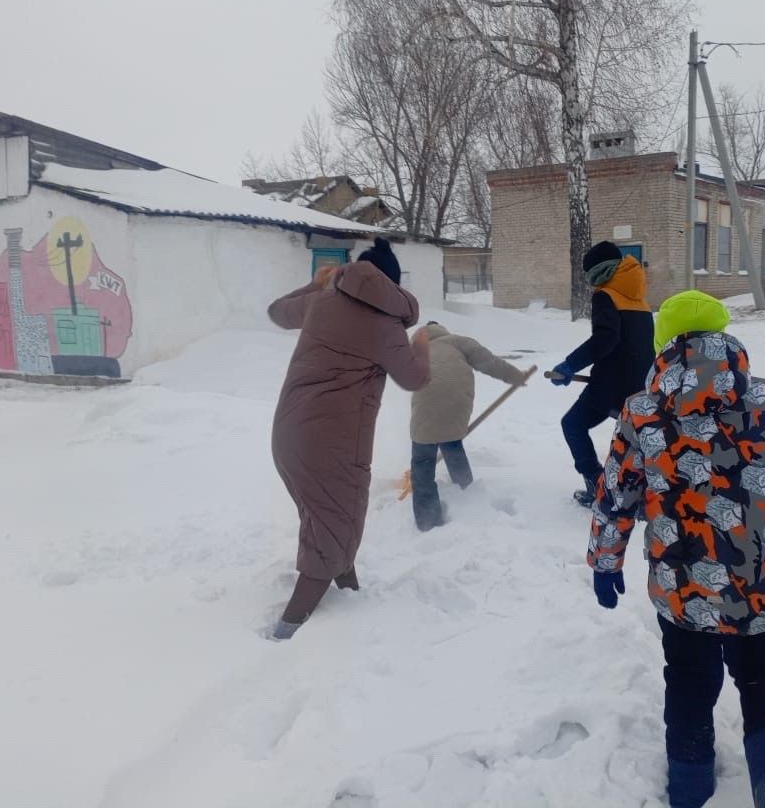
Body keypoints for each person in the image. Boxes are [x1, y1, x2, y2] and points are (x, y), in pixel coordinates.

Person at [587, 290, 765, 808]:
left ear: (664, 345)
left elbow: (617, 492)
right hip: (760, 580)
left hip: (683, 588)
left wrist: (606, 561)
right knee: (764, 672)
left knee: (689, 679)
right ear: (725, 338)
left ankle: (690, 784)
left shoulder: (642, 411)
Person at [266, 238, 431, 641]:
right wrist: (422, 346)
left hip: (288, 435)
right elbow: (415, 378)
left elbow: (276, 312)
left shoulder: (321, 302)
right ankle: (285, 632)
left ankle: (350, 595)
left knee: (330, 521)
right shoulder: (386, 325)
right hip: (334, 444)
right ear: (392, 284)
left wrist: (315, 284)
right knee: (332, 530)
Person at [549, 241, 654, 506]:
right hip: (640, 384)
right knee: (633, 440)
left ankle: (597, 484)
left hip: (610, 383)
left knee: (572, 424)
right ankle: (639, 492)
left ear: (597, 271)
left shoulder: (606, 295)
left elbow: (605, 339)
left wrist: (570, 365)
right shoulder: (637, 296)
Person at [409, 322, 530, 531]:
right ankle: (466, 489)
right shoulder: (457, 342)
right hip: (458, 405)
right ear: (442, 331)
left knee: (422, 462)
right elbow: (489, 362)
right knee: (451, 440)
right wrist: (516, 376)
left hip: (425, 405)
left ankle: (428, 522)